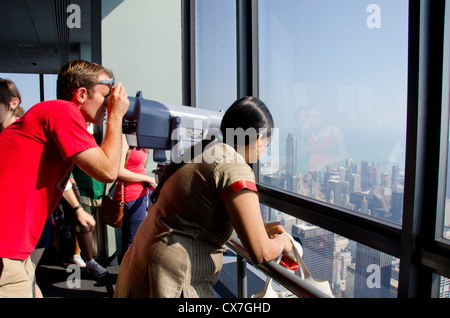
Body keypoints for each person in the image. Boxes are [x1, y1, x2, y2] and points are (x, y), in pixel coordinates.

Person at [114, 96, 293, 298]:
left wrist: (258, 230)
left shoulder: (206, 150)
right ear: (259, 140)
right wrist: (285, 242)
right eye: (267, 145)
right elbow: (260, 252)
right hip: (171, 279)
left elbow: (199, 217)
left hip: (141, 266)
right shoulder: (234, 166)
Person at [0, 60, 129, 298]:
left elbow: (63, 181)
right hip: (5, 250)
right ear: (81, 94)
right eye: (106, 95)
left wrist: (77, 209)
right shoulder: (62, 111)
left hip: (14, 251)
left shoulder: (55, 115)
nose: (110, 103)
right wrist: (116, 116)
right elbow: (108, 171)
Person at [114, 134, 157, 255]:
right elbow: (118, 171)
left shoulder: (137, 139)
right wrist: (149, 178)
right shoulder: (123, 137)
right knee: (133, 242)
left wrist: (145, 147)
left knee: (139, 238)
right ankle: (129, 272)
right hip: (131, 196)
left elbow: (141, 166)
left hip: (142, 193)